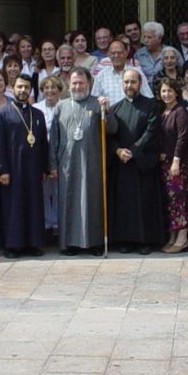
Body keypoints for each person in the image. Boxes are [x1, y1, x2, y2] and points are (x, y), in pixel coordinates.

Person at [50, 67, 115, 256]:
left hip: (92, 163)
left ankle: (94, 243)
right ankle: (69, 243)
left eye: (81, 83)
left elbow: (111, 129)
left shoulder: (97, 104)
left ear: (89, 84)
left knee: (91, 203)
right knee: (68, 202)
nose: (77, 86)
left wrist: (108, 111)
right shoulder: (61, 106)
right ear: (69, 85)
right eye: (74, 83)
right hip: (67, 165)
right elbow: (54, 139)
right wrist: (52, 165)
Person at [0, 74, 50, 258]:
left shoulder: (38, 114)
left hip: (33, 170)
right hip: (12, 170)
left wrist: (44, 168)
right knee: (13, 206)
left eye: (26, 87)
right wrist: (2, 170)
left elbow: (42, 145)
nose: (23, 90)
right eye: (20, 87)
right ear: (13, 88)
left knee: (33, 205)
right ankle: (13, 245)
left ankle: (33, 244)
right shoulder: (3, 113)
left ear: (31, 90)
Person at [106, 69, 162, 254]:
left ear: (140, 83)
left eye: (133, 82)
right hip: (123, 163)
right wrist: (118, 151)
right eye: (126, 82)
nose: (129, 86)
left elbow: (152, 131)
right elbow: (110, 135)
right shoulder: (115, 108)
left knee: (144, 203)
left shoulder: (151, 105)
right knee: (125, 204)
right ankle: (126, 240)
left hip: (143, 162)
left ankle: (145, 241)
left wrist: (134, 150)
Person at [157, 77, 188, 253]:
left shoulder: (181, 112)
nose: (166, 94)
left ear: (176, 92)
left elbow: (182, 138)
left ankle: (183, 238)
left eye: (170, 91)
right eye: (163, 91)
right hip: (165, 164)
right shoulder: (164, 112)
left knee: (180, 200)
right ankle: (173, 235)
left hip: (178, 164)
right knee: (170, 201)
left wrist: (176, 160)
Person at [35, 75, 63, 235]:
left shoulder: (65, 106)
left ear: (59, 90)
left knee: (58, 191)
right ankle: (46, 224)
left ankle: (59, 224)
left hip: (59, 155)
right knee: (45, 192)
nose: (50, 90)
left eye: (53, 87)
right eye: (46, 87)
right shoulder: (37, 108)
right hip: (42, 155)